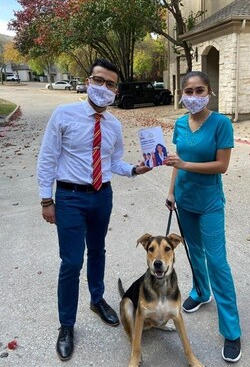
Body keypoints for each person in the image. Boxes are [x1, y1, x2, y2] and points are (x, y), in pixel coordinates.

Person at [37, 59, 151, 361]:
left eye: (110, 84)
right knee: (71, 262)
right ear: (89, 81)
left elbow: (114, 162)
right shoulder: (64, 114)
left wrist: (135, 169)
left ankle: (97, 299)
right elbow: (48, 157)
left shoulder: (113, 124)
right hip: (71, 197)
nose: (103, 88)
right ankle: (66, 325)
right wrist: (46, 200)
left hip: (102, 196)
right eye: (98, 81)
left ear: (116, 90)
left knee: (98, 251)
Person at [165, 71, 242, 363]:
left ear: (209, 93)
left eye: (200, 90)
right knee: (194, 252)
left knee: (217, 262)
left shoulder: (221, 123)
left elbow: (222, 166)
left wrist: (185, 163)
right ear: (182, 93)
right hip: (185, 201)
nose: (194, 96)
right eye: (189, 91)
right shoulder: (181, 123)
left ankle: (232, 331)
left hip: (210, 203)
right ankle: (200, 292)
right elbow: (177, 160)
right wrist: (171, 192)